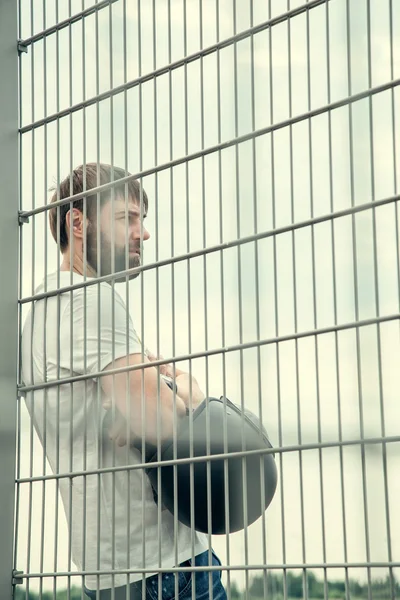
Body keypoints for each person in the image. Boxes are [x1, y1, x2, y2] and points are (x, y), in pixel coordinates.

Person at [21, 163, 227, 599]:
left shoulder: (41, 310)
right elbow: (164, 422)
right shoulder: (90, 299)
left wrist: (147, 396)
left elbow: (131, 414)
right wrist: (185, 387)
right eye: (126, 218)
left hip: (109, 570)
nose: (143, 233)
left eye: (143, 220)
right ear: (78, 222)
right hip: (165, 567)